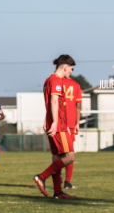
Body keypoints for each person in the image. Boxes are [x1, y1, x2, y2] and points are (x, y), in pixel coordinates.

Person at [33, 55, 77, 199]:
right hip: (59, 125)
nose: (71, 72)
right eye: (71, 69)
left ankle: (58, 192)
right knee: (70, 156)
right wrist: (55, 122)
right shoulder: (56, 80)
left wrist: (48, 120)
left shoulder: (48, 80)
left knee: (57, 158)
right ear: (65, 67)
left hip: (54, 123)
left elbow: (48, 102)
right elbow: (53, 101)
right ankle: (42, 177)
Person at [62, 74, 82, 189]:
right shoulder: (75, 85)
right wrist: (77, 123)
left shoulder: (55, 82)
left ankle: (60, 180)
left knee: (59, 154)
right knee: (70, 154)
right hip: (69, 124)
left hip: (58, 122)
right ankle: (66, 181)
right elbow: (78, 106)